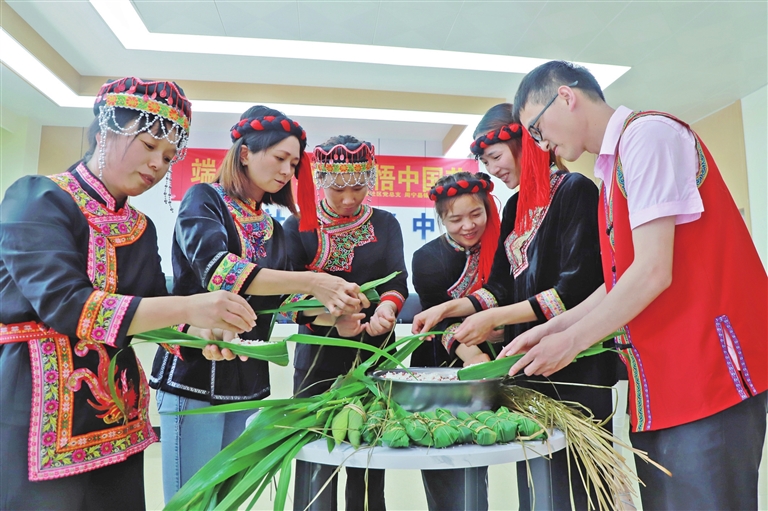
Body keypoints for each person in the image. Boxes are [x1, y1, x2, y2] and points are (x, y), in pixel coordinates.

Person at [505, 60, 768, 509]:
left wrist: (569, 344)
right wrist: (551, 330)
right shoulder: (612, 170)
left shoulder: (649, 136)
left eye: (536, 128)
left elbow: (651, 272)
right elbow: (619, 281)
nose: (541, 143)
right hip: (664, 384)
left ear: (566, 96)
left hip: (706, 375)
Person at [0, 77, 258, 511]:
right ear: (104, 132)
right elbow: (69, 305)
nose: (158, 164)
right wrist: (194, 304)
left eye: (169, 156)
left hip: (116, 411)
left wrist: (203, 333)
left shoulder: (140, 226)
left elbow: (159, 309)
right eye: (149, 145)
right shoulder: (39, 197)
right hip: (37, 407)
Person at [149, 107, 367, 503]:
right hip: (194, 370)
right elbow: (221, 271)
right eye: (280, 158)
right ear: (245, 153)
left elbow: (284, 304)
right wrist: (315, 280)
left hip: (246, 383)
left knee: (232, 500)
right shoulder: (205, 198)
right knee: (192, 500)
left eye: (294, 163)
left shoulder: (273, 227)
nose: (287, 170)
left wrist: (338, 314)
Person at [413, 104, 618, 510]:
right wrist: (451, 310)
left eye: (495, 157)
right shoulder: (514, 206)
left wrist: (495, 317)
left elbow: (574, 290)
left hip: (575, 363)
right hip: (529, 366)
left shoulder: (576, 189)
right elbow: (502, 286)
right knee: (536, 483)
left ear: (525, 143)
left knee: (575, 487)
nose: (492, 169)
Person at [284, 135, 409, 511]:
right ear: (320, 181)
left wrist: (387, 310)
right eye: (338, 189)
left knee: (368, 461)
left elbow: (397, 281)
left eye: (358, 187)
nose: (349, 198)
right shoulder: (297, 227)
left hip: (375, 353)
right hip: (318, 359)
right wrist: (331, 320)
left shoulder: (385, 224)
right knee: (315, 459)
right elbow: (288, 301)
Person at [409, 171, 501, 511]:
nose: (468, 226)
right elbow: (437, 320)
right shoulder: (427, 258)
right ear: (441, 219)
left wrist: (499, 336)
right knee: (441, 456)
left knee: (478, 455)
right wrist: (473, 352)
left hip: (485, 366)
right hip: (438, 369)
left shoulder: (503, 248)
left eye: (476, 214)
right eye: (455, 219)